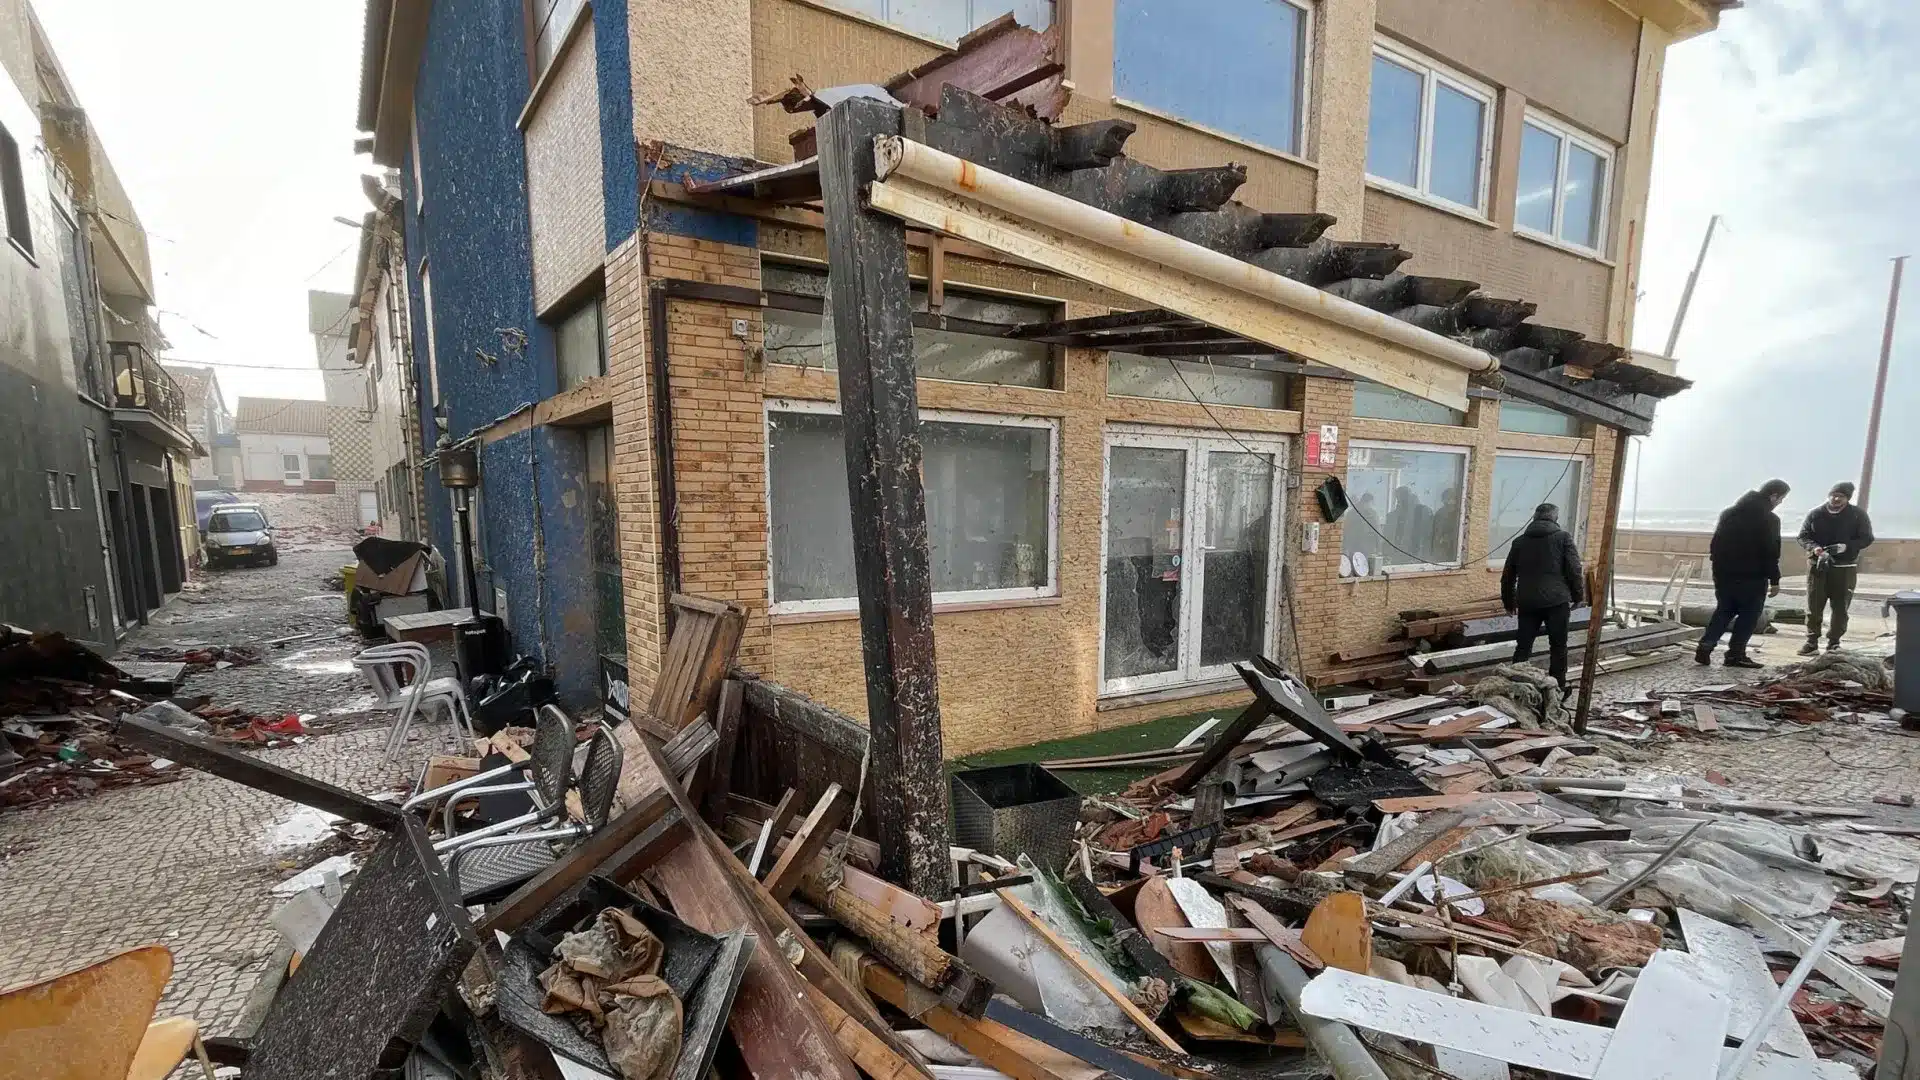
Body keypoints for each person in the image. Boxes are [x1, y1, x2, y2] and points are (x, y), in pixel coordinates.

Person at [1696, 479, 1790, 668]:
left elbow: (1715, 544)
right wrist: (1775, 579)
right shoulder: (1770, 519)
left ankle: (1705, 646)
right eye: (1781, 499)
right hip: (1752, 576)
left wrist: (1719, 570)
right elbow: (1771, 551)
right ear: (1774, 496)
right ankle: (1735, 654)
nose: (1780, 503)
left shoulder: (1729, 513)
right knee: (1749, 615)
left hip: (1724, 574)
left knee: (1724, 610)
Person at [1501, 503, 1585, 694]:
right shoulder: (1563, 538)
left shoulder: (1519, 541)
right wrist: (1578, 596)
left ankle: (1518, 686)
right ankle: (1557, 687)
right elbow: (1574, 569)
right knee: (1558, 646)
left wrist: (1508, 601)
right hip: (1557, 601)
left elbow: (1508, 575)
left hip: (1527, 601)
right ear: (1555, 518)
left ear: (1535, 518)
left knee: (1523, 645)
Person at [1796, 481, 1875, 654]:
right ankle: (1811, 641)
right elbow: (1803, 536)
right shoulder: (1815, 514)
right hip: (1818, 566)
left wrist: (1847, 546)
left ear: (1847, 498)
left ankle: (1834, 642)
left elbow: (1867, 538)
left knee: (1840, 607)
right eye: (1833, 495)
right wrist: (1814, 548)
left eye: (1840, 496)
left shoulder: (1858, 515)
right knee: (1813, 606)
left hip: (1845, 568)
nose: (1836, 498)